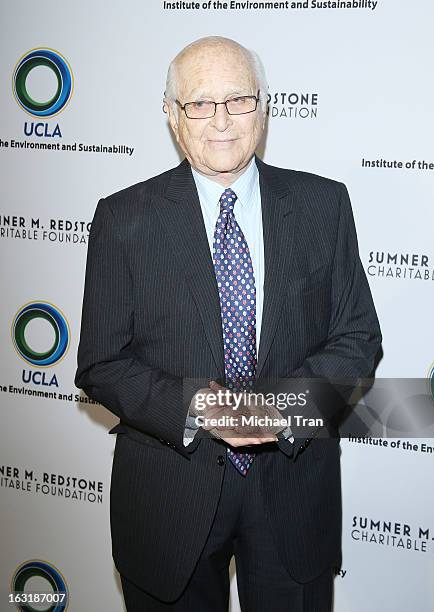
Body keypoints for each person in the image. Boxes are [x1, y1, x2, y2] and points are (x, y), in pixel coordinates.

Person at [75, 36, 382, 611]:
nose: (221, 119)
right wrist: (197, 406)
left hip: (294, 491)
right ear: (172, 115)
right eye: (199, 103)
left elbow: (358, 337)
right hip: (169, 491)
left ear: (264, 107)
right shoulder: (122, 218)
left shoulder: (324, 205)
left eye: (239, 99)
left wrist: (280, 408)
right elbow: (100, 363)